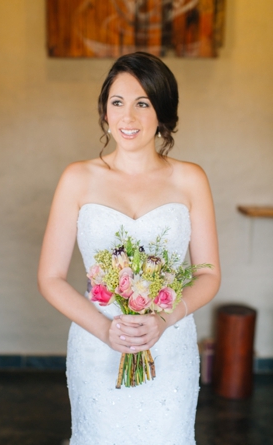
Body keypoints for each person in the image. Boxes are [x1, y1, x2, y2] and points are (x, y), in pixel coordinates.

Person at [37, 52, 221, 444]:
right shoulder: (77, 178)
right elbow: (50, 278)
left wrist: (164, 319)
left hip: (168, 346)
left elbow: (208, 274)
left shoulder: (191, 180)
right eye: (117, 102)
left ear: (163, 112)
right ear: (105, 111)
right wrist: (105, 329)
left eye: (143, 103)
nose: (128, 117)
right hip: (97, 344)